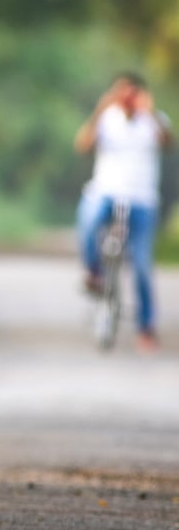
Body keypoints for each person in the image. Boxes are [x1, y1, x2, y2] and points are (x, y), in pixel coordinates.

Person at [74, 72, 172, 352]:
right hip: (105, 191)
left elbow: (167, 143)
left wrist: (149, 112)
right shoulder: (107, 119)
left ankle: (146, 327)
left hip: (142, 199)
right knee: (89, 221)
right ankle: (94, 271)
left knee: (141, 264)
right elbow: (82, 144)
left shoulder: (154, 121)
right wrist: (99, 110)